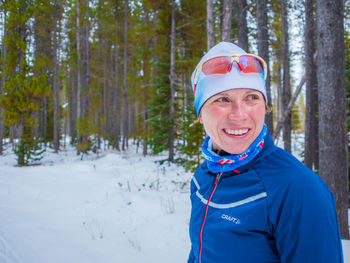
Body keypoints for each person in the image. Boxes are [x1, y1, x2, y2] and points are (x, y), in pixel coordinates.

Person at [187, 42, 344, 263]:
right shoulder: (205, 176)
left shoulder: (299, 189)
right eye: (222, 99)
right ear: (201, 113)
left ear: (264, 106)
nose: (239, 114)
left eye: (252, 97)